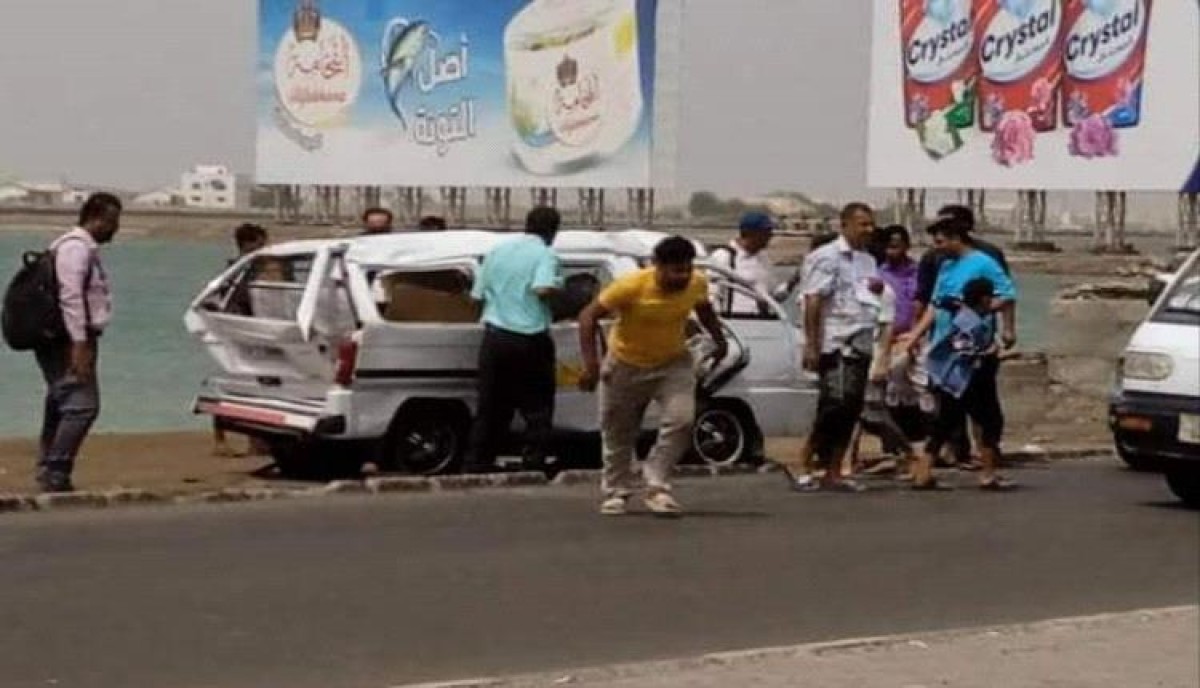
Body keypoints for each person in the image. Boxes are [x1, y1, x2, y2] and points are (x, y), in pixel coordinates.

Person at [578, 236, 728, 517]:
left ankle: (657, 482)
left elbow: (704, 309)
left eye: (686, 269)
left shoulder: (696, 282)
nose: (681, 276)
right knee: (617, 431)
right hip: (625, 363)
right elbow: (588, 317)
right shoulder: (632, 286)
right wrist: (591, 365)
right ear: (657, 266)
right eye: (675, 271)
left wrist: (720, 341)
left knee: (682, 419)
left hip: (673, 363)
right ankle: (617, 490)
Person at [902, 218, 1017, 490]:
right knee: (956, 415)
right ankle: (966, 472)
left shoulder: (985, 263)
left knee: (976, 415)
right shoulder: (945, 266)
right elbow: (934, 306)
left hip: (973, 349)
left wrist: (982, 313)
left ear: (956, 237)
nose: (937, 247)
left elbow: (1008, 295)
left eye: (941, 241)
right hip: (949, 351)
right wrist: (915, 335)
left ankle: (979, 469)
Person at [786, 202, 880, 492]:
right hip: (835, 341)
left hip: (861, 339)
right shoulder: (825, 257)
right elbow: (813, 301)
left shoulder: (867, 261)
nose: (868, 230)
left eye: (870, 224)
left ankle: (834, 470)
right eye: (862, 224)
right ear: (846, 225)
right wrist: (812, 345)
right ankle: (803, 461)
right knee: (834, 402)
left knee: (850, 407)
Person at [33, 193, 122, 493]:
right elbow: (70, 297)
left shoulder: (75, 247)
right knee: (82, 406)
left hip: (68, 339)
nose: (116, 228)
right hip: (67, 340)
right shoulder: (75, 249)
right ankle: (56, 469)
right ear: (97, 218)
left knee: (60, 401)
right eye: (113, 221)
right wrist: (79, 343)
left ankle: (48, 466)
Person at [464, 207, 563, 474]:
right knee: (537, 407)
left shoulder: (497, 251)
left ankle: (478, 461)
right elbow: (542, 288)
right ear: (553, 231)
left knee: (491, 405)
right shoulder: (546, 253)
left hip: (495, 338)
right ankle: (535, 460)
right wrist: (560, 292)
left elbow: (476, 296)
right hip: (530, 338)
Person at [913, 277, 1015, 491]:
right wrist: (989, 352)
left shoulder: (966, 314)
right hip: (969, 380)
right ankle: (988, 474)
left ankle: (923, 472)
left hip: (956, 381)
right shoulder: (970, 322)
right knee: (989, 423)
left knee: (944, 425)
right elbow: (963, 349)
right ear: (985, 298)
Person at [213, 223, 270, 458]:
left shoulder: (233, 269)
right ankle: (230, 440)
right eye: (261, 242)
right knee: (249, 385)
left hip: (238, 331)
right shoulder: (247, 268)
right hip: (244, 331)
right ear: (250, 243)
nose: (264, 247)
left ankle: (251, 440)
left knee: (247, 385)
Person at [709, 211, 776, 315]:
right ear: (749, 233)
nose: (770, 236)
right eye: (766, 232)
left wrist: (794, 281)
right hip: (735, 322)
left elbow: (772, 295)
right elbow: (712, 296)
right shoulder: (724, 256)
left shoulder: (764, 258)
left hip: (761, 322)